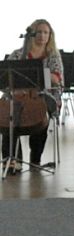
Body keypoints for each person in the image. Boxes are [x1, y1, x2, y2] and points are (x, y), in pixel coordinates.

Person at [2, 19, 64, 172]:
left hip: (45, 95)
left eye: (46, 32)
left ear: (50, 36)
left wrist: (40, 78)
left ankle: (35, 159)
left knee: (40, 113)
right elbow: (5, 80)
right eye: (39, 32)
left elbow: (57, 79)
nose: (42, 36)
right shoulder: (17, 54)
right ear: (31, 35)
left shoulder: (53, 56)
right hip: (18, 96)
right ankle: (12, 161)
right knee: (10, 117)